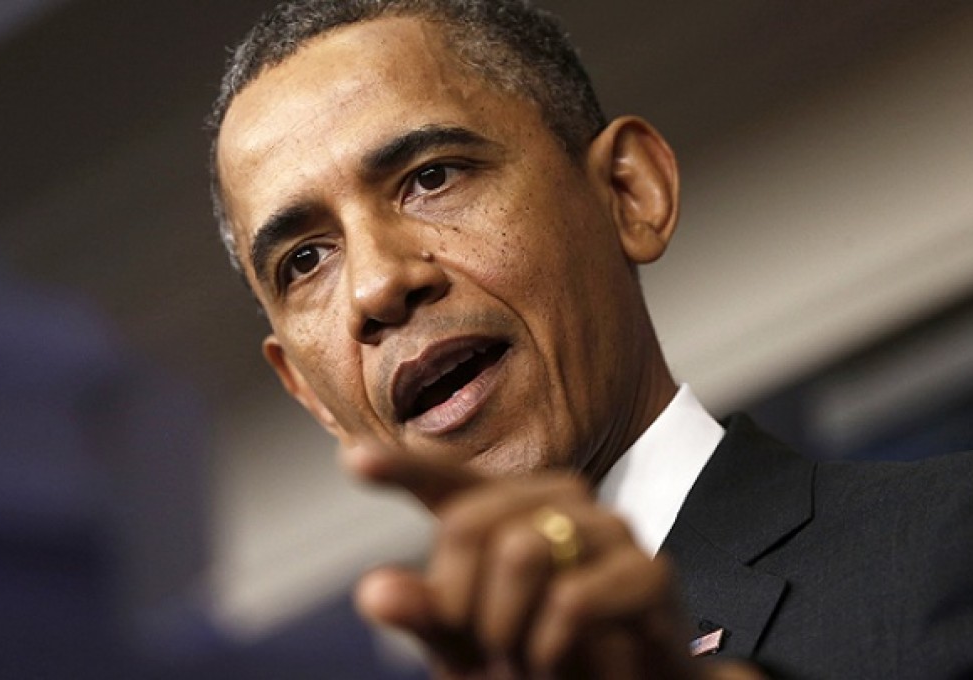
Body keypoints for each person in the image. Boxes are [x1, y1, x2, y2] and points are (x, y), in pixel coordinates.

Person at [206, 1, 973, 677]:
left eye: (432, 176)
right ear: (309, 394)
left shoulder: (948, 548)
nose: (377, 286)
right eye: (304, 259)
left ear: (629, 194)